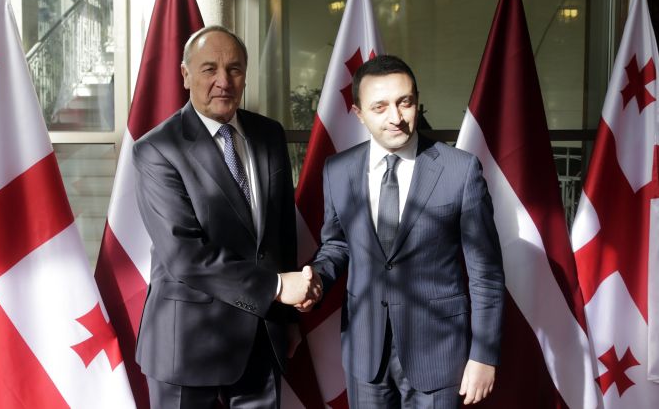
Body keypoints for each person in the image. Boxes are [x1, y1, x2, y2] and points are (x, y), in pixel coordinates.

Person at [299, 54, 505, 408]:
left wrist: (484, 355)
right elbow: (338, 244)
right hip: (366, 353)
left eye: (404, 102)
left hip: (438, 352)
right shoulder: (338, 170)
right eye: (380, 107)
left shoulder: (460, 170)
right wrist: (317, 278)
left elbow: (485, 272)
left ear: (416, 101)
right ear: (358, 113)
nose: (395, 117)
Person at [133, 25, 317, 409]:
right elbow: (186, 257)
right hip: (186, 342)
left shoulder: (268, 135)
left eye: (234, 69)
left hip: (262, 335)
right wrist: (277, 288)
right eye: (209, 69)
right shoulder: (157, 149)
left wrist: (286, 318)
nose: (223, 81)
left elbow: (280, 233)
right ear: (185, 75)